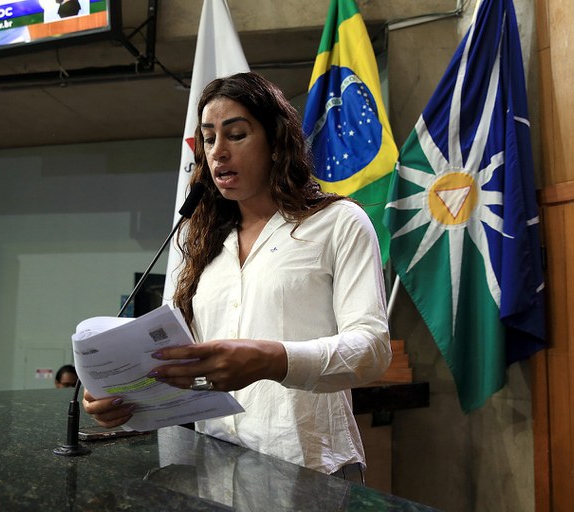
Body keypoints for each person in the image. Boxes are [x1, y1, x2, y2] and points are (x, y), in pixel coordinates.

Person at [83, 72, 391, 483]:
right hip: (214, 466)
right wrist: (122, 393)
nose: (218, 152)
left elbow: (371, 349)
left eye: (237, 135)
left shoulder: (338, 222)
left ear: (276, 142)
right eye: (209, 139)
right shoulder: (198, 239)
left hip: (311, 467)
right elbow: (179, 359)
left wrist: (270, 359)